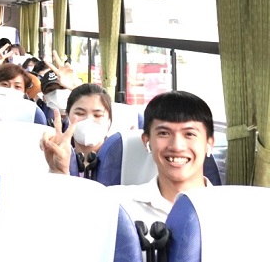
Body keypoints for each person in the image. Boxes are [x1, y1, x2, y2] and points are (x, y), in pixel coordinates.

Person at [42, 90, 214, 226]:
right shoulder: (114, 203)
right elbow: (64, 228)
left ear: (209, 143)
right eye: (164, 133)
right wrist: (59, 172)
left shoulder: (226, 211)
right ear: (147, 141)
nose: (177, 146)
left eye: (189, 134)